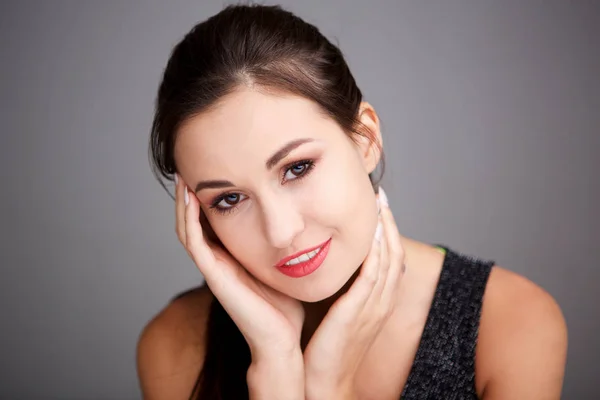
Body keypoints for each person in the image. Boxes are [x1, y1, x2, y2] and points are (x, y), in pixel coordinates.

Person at [136, 4, 567, 399]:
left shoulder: (510, 324)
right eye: (229, 199)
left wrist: (330, 385)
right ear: (196, 215)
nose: (282, 232)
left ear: (366, 139)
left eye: (297, 168)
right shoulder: (178, 344)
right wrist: (276, 367)